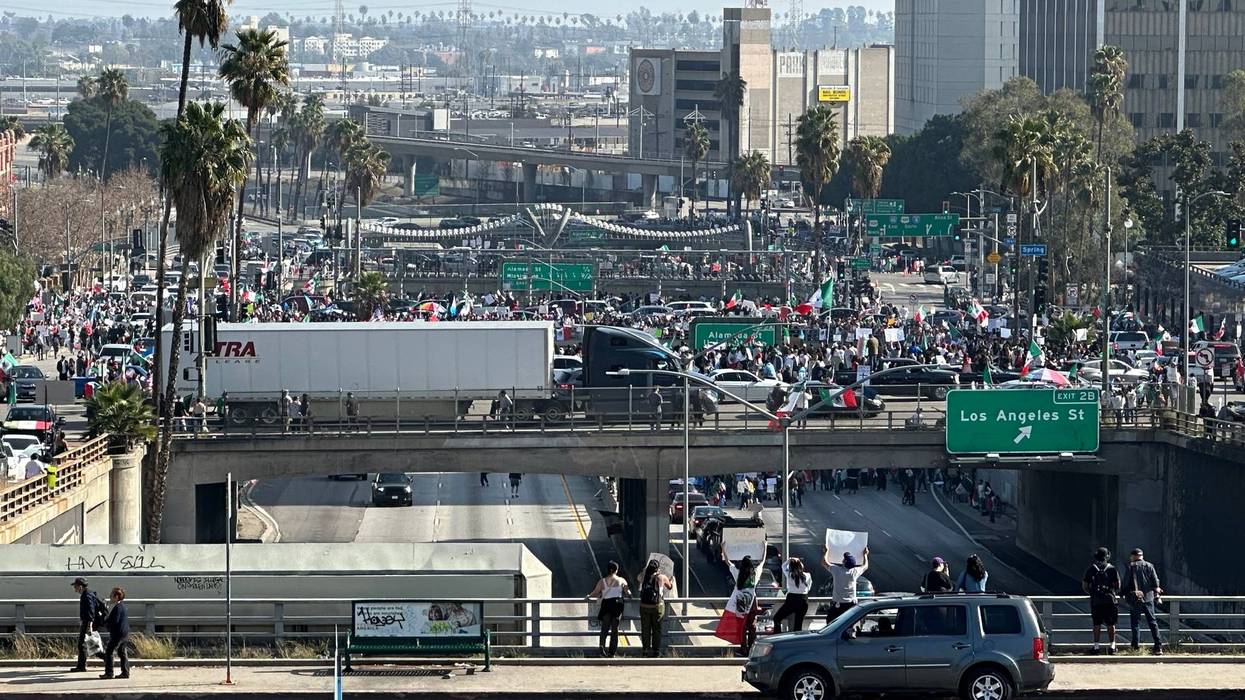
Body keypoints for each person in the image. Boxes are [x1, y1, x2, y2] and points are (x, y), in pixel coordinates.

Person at [1122, 547, 1163, 654]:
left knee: (1135, 623)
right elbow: (1155, 582)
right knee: (1152, 622)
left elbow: (1126, 583)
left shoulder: (1130, 567)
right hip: (1148, 598)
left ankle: (1135, 647)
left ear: (1133, 556)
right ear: (1142, 556)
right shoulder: (1149, 566)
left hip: (1135, 599)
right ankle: (1158, 646)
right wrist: (1156, 593)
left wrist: (1121, 593)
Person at [1082, 546, 1122, 655]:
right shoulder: (1112, 569)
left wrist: (1093, 593)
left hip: (1096, 601)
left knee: (1096, 624)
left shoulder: (1091, 569)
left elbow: (1085, 586)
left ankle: (1096, 647)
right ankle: (1112, 646)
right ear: (1107, 557)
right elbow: (1118, 585)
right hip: (1110, 600)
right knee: (1111, 624)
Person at [586, 561, 631, 657]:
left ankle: (601, 648)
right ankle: (612, 652)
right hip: (617, 605)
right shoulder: (621, 580)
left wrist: (588, 596)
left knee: (604, 628)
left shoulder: (602, 581)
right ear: (616, 570)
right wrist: (629, 595)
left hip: (606, 604)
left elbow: (595, 592)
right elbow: (627, 592)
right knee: (615, 630)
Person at [821, 546, 869, 624]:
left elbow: (824, 562)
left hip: (838, 604)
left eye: (844, 559)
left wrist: (826, 552)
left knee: (831, 623)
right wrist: (865, 555)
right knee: (849, 624)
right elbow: (865, 566)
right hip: (851, 604)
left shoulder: (836, 570)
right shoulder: (855, 572)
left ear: (844, 562)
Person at [637, 559, 673, 657]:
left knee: (645, 629)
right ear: (658, 568)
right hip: (657, 606)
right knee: (657, 629)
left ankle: (645, 650)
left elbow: (638, 578)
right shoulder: (661, 577)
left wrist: (645, 570)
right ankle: (656, 651)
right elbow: (670, 586)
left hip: (644, 606)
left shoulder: (644, 576)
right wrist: (671, 580)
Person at [726, 556, 761, 655]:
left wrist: (723, 549)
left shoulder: (738, 574)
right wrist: (765, 547)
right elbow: (762, 561)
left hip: (741, 603)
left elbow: (728, 563)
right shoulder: (755, 575)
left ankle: (743, 649)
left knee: (742, 627)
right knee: (752, 627)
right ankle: (752, 649)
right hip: (752, 602)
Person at [96, 587, 130, 679]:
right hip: (124, 633)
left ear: (116, 597)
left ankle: (109, 673)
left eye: (111, 596)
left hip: (118, 634)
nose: (110, 597)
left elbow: (114, 621)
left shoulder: (118, 608)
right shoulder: (122, 606)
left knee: (109, 652)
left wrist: (105, 620)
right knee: (122, 653)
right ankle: (125, 672)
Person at [70, 577, 102, 672]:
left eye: (75, 586)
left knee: (84, 644)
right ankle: (81, 666)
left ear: (80, 587)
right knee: (88, 644)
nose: (74, 589)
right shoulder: (88, 593)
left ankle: (82, 666)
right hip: (87, 622)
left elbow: (90, 610)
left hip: (88, 622)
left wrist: (89, 625)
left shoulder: (86, 595)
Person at [772, 557, 811, 633]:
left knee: (777, 618)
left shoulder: (790, 575)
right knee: (798, 625)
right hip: (803, 600)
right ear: (801, 566)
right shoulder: (808, 575)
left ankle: (777, 636)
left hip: (792, 599)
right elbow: (808, 588)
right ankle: (797, 643)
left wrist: (790, 559)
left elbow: (783, 566)